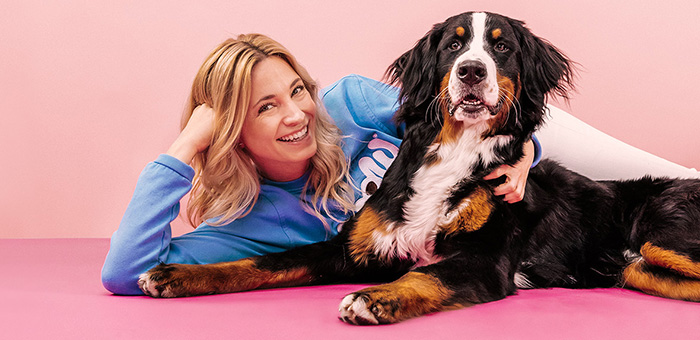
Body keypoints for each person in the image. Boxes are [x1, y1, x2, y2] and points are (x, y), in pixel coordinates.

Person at [101, 34, 538, 295]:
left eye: (297, 90)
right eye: (265, 108)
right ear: (230, 132)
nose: (296, 114)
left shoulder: (353, 105)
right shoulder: (250, 224)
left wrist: (527, 152)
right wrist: (184, 146)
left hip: (525, 193)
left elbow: (470, 115)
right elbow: (126, 274)